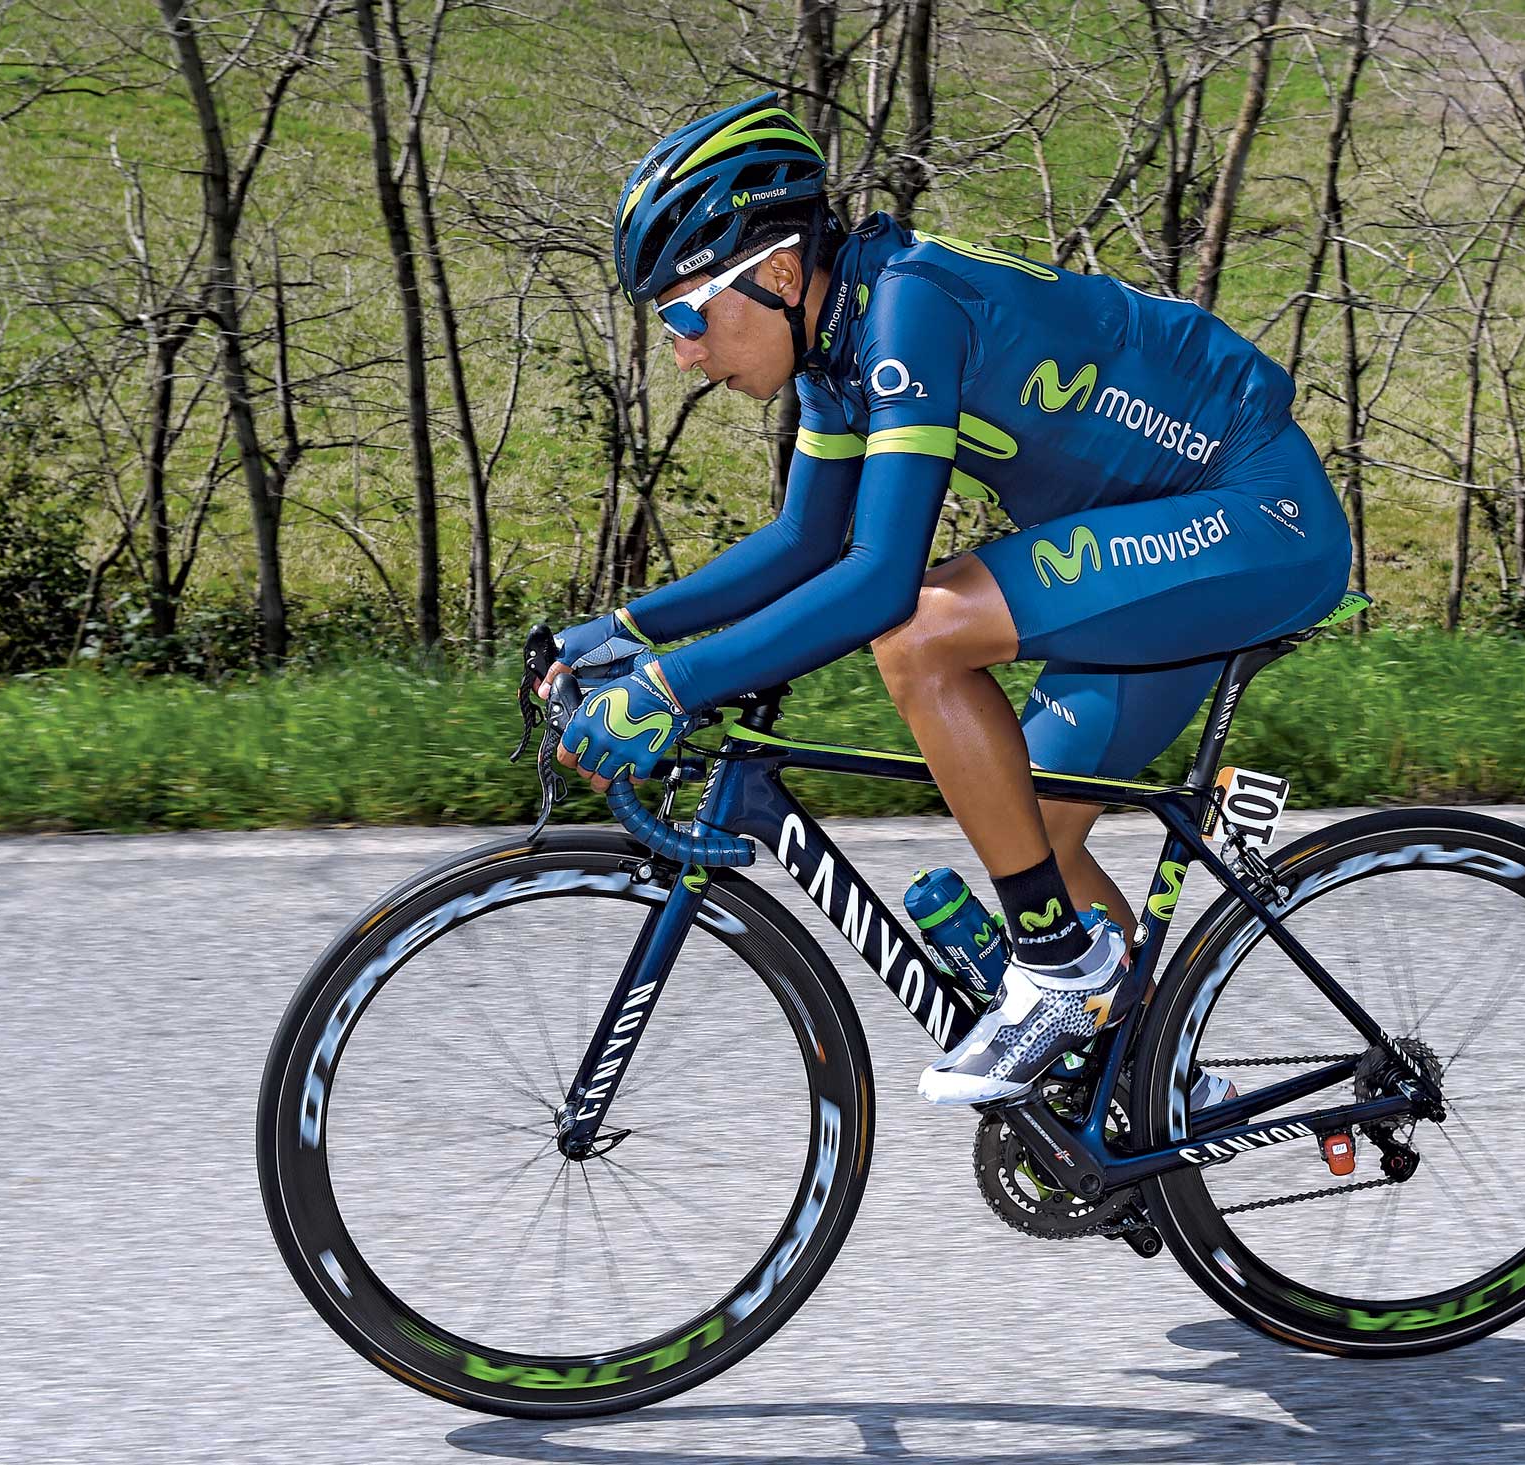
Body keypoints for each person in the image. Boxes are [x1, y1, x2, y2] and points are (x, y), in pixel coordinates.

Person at [542, 93, 1352, 1106]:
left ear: (781, 274)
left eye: (683, 314)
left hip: (1253, 513)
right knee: (1033, 837)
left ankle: (1059, 972)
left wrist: (672, 683)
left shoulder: (909, 311)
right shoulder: (839, 355)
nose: (683, 353)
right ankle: (1152, 1091)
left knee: (921, 634)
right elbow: (806, 542)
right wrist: (626, 629)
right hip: (1164, 539)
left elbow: (880, 577)